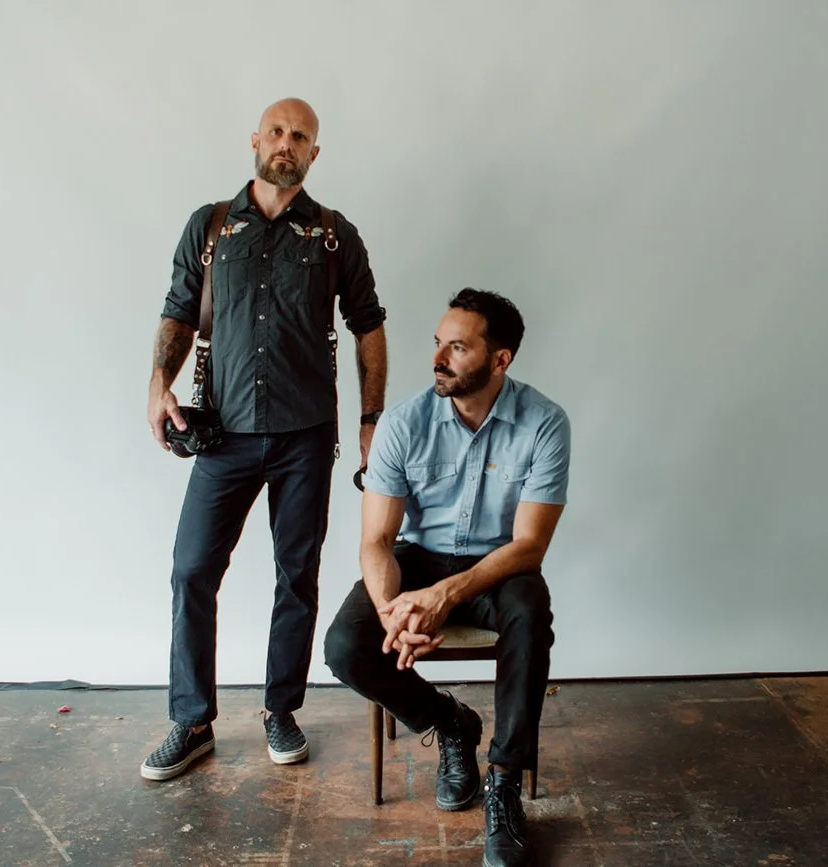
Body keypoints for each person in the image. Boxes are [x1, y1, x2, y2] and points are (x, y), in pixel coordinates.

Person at [142, 98, 387, 781]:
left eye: (300, 135)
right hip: (222, 436)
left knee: (296, 578)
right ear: (256, 140)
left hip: (306, 438)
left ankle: (282, 709)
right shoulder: (212, 226)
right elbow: (177, 312)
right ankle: (191, 721)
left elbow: (369, 325)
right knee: (192, 570)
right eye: (277, 131)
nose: (287, 143)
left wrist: (371, 421)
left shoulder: (335, 236)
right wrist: (158, 384)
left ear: (314, 153)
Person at [325, 289, 569, 867]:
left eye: (458, 347)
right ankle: (451, 724)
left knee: (530, 614)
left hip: (498, 566)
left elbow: (530, 544)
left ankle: (504, 781)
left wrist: (445, 595)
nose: (439, 358)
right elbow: (377, 541)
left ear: (500, 359)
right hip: (418, 558)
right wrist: (394, 614)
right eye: (438, 343)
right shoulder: (404, 424)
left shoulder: (544, 424)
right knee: (344, 645)